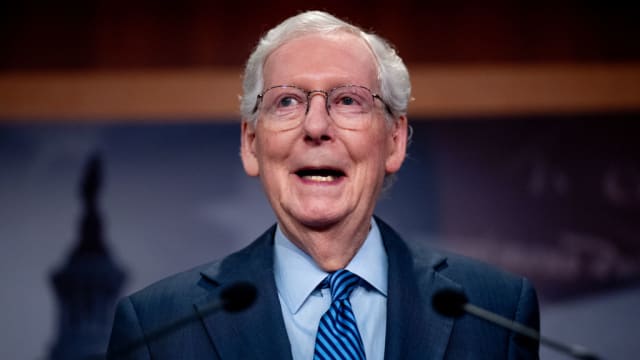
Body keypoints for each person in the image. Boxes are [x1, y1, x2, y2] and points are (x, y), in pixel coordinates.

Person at [107, 10, 539, 360]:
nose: (316, 126)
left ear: (394, 140)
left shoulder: (494, 311)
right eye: (287, 102)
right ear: (251, 143)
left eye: (348, 100)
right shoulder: (158, 328)